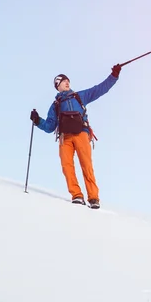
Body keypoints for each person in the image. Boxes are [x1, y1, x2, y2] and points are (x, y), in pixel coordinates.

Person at [30, 64, 122, 209]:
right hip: (64, 138)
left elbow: (99, 89)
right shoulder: (55, 105)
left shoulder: (79, 96)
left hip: (81, 134)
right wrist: (37, 120)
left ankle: (93, 198)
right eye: (62, 81)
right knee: (67, 167)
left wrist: (114, 76)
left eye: (67, 80)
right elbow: (49, 127)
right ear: (57, 86)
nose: (67, 82)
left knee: (86, 165)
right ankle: (77, 195)